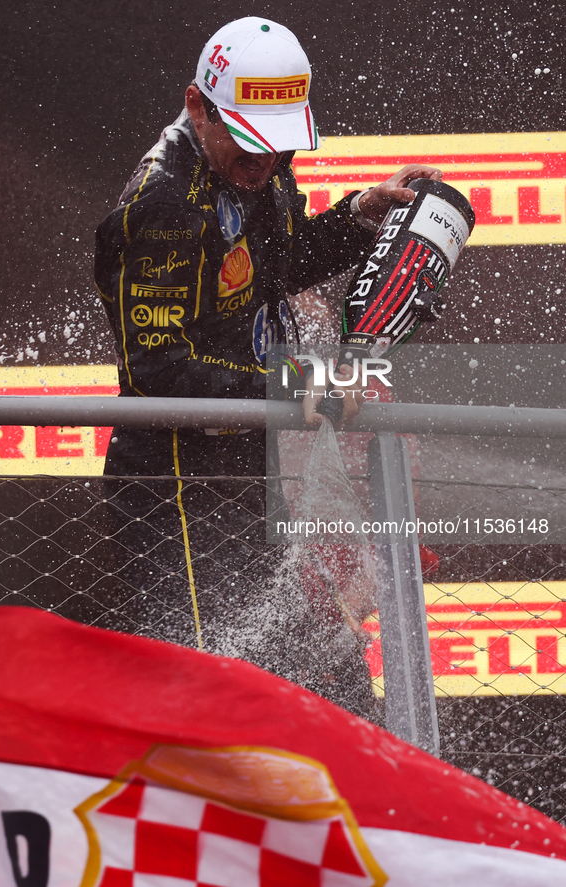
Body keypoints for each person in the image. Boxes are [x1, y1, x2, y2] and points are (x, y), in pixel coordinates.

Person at [94, 16, 441, 716]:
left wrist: (358, 215)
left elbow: (275, 270)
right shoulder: (162, 203)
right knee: (207, 692)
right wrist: (291, 386)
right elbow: (157, 369)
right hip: (176, 489)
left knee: (312, 671)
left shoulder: (264, 171)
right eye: (248, 141)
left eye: (279, 143)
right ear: (197, 106)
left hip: (254, 470)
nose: (264, 161)